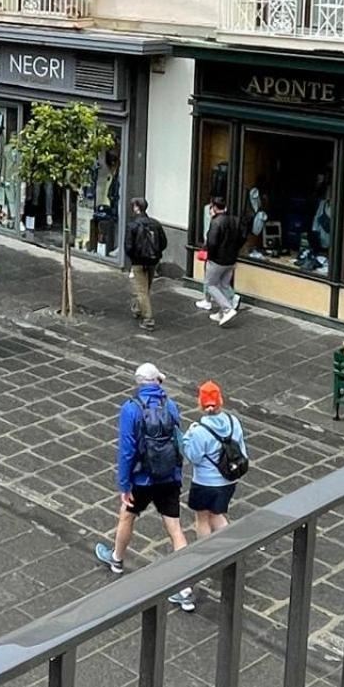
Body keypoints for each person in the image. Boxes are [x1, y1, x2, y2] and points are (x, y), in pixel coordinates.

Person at [95, 362, 195, 611]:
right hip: (168, 476)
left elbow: (127, 449)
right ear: (157, 382)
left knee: (127, 516)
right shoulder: (171, 405)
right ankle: (186, 589)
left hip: (142, 478)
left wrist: (124, 483)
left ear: (138, 384)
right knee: (175, 528)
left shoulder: (131, 409)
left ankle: (116, 559)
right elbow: (177, 440)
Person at [183, 381, 248, 538]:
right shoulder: (234, 422)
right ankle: (227, 549)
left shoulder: (199, 431)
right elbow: (242, 449)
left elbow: (194, 457)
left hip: (205, 483)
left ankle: (208, 554)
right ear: (220, 401)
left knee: (203, 519)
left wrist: (186, 438)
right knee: (217, 515)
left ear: (200, 404)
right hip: (228, 480)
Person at [196, 195, 243, 326]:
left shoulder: (216, 222)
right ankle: (222, 313)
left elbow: (211, 242)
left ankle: (227, 309)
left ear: (214, 208)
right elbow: (241, 237)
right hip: (231, 259)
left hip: (218, 260)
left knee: (210, 284)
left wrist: (210, 254)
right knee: (223, 285)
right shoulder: (235, 220)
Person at [125, 198, 168, 331]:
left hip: (139, 261)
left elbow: (128, 246)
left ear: (136, 207)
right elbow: (164, 243)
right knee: (146, 287)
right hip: (152, 261)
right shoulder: (155, 224)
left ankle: (148, 319)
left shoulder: (132, 225)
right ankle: (138, 307)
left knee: (141, 290)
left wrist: (133, 259)